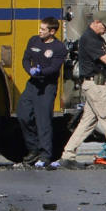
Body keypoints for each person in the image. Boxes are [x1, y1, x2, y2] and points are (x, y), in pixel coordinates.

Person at [53, 10, 106, 169]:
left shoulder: (97, 38)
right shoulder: (90, 38)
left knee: (88, 122)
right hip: (95, 85)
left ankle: (68, 155)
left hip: (95, 85)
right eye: (105, 27)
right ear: (97, 22)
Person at [17, 17, 68, 168]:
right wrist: (30, 70)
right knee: (23, 115)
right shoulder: (34, 41)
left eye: (43, 29)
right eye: (40, 28)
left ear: (52, 32)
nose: (40, 31)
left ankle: (45, 155)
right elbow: (25, 60)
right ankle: (33, 148)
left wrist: (41, 72)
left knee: (43, 121)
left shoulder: (59, 48)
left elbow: (54, 68)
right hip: (32, 84)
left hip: (47, 86)